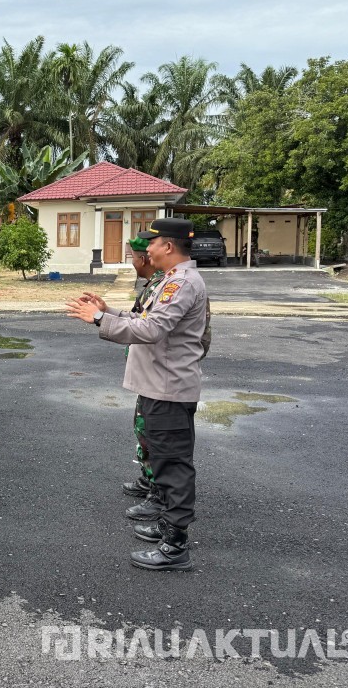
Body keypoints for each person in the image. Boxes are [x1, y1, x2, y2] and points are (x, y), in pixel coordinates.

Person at [66, 218, 208, 572]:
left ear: (169, 247)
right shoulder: (170, 282)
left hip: (169, 388)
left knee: (173, 465)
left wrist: (100, 319)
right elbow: (142, 316)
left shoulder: (182, 284)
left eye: (154, 243)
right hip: (157, 385)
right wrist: (108, 311)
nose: (148, 250)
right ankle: (166, 527)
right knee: (160, 458)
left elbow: (153, 329)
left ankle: (175, 547)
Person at [119, 235, 165, 499]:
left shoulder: (162, 287)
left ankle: (159, 491)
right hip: (147, 373)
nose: (133, 263)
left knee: (151, 431)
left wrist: (103, 319)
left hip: (157, 375)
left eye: (134, 258)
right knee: (143, 427)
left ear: (145, 259)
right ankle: (149, 479)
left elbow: (147, 327)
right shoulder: (153, 285)